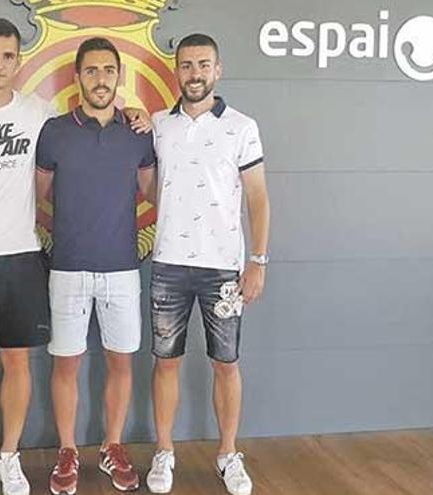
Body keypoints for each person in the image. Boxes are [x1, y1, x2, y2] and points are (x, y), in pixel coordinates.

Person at [0, 19, 152, 495]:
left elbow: (101, 146)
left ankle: (9, 456)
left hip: (24, 259)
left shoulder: (40, 114)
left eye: (8, 56)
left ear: (19, 61)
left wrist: (138, 113)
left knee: (18, 362)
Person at [145, 33, 271, 495]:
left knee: (226, 364)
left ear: (217, 70)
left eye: (203, 65)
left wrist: (257, 260)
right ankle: (164, 452)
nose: (194, 74)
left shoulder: (242, 126)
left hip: (223, 271)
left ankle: (227, 454)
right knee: (165, 363)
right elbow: (147, 187)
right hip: (168, 266)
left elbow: (257, 196)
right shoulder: (158, 125)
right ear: (175, 71)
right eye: (186, 66)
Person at [35, 37, 156, 495]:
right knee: (66, 364)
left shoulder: (138, 133)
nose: (100, 78)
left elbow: (153, 192)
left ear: (119, 76)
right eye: (91, 71)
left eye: (108, 70)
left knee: (121, 363)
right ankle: (67, 451)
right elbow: (39, 195)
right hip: (66, 267)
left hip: (122, 268)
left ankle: (112, 445)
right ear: (78, 77)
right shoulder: (55, 132)